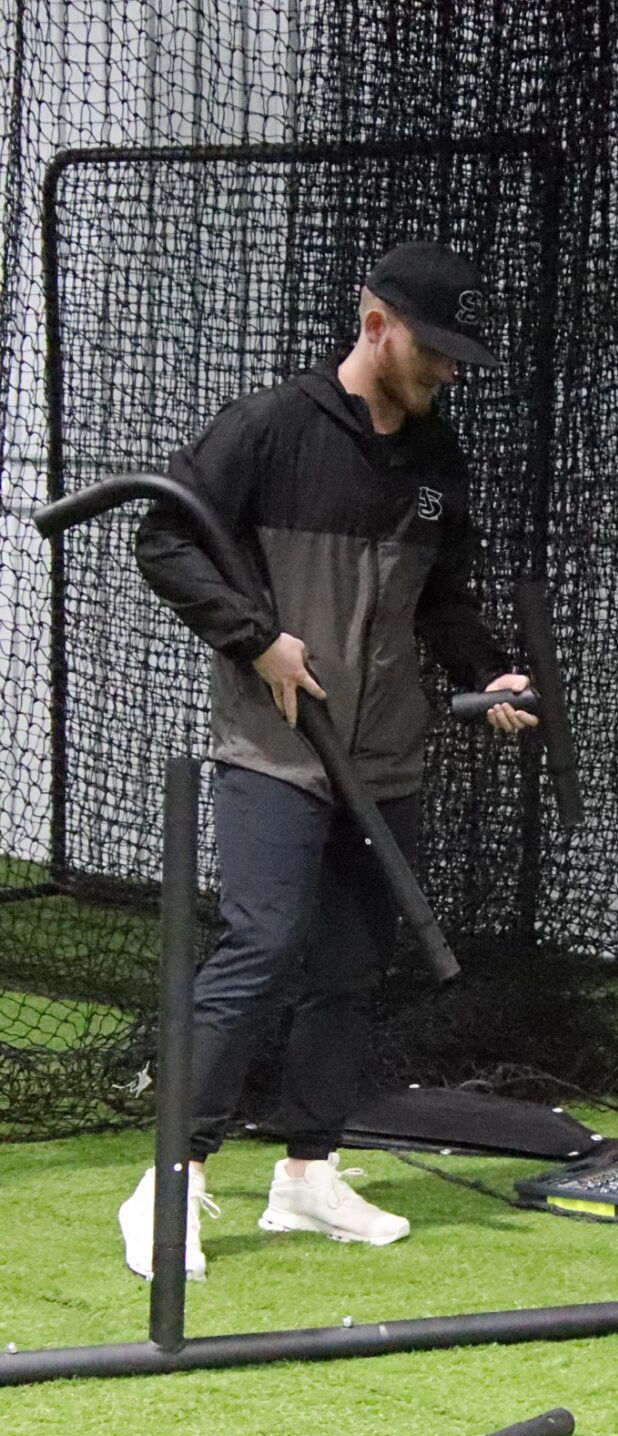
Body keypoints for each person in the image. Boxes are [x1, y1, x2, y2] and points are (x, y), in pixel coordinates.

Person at [118, 242, 537, 1281]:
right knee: (263, 946)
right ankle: (171, 1177)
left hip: (386, 757)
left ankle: (308, 1174)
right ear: (375, 322)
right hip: (274, 748)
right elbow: (162, 538)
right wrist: (256, 639)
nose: (446, 371)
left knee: (350, 967)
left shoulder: (438, 460)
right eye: (432, 349)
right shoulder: (268, 427)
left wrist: (490, 677)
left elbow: (442, 600)